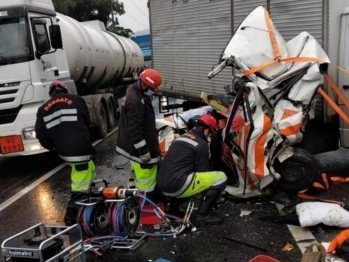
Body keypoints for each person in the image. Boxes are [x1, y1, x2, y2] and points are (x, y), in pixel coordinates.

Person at [35, 80, 96, 226]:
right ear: (65, 90)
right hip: (81, 147)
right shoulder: (77, 100)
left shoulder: (43, 109)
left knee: (89, 169)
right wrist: (85, 139)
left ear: (51, 93)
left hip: (64, 151)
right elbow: (88, 122)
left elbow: (41, 134)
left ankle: (88, 204)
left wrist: (54, 147)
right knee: (81, 182)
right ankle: (72, 214)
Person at [157, 114, 228, 226]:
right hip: (177, 186)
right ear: (206, 129)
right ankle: (202, 217)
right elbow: (202, 173)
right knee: (220, 177)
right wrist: (211, 196)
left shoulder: (182, 137)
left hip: (162, 185)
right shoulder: (201, 144)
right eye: (210, 132)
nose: (209, 135)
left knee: (185, 175)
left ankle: (172, 209)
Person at [116, 68, 162, 201]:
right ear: (145, 84)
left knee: (145, 179)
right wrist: (143, 151)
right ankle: (145, 205)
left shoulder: (136, 91)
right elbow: (134, 129)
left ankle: (144, 202)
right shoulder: (135, 100)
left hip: (141, 146)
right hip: (140, 151)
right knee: (146, 180)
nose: (153, 91)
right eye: (152, 88)